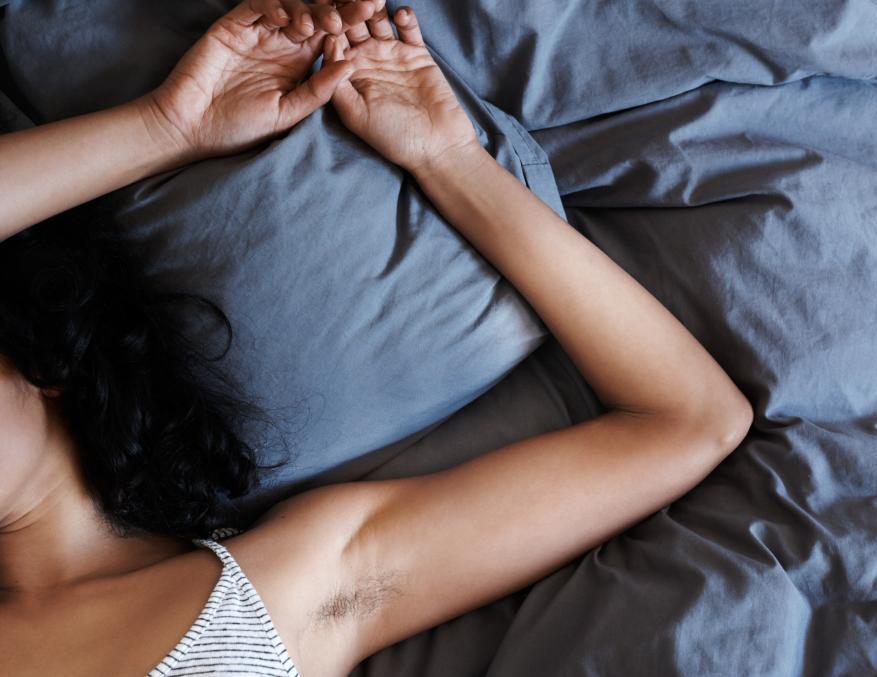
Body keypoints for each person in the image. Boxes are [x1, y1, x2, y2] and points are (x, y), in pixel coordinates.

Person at [0, 1, 752, 675]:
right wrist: (158, 131)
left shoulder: (306, 583)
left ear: (42, 362)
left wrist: (451, 162)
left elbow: (690, 421)